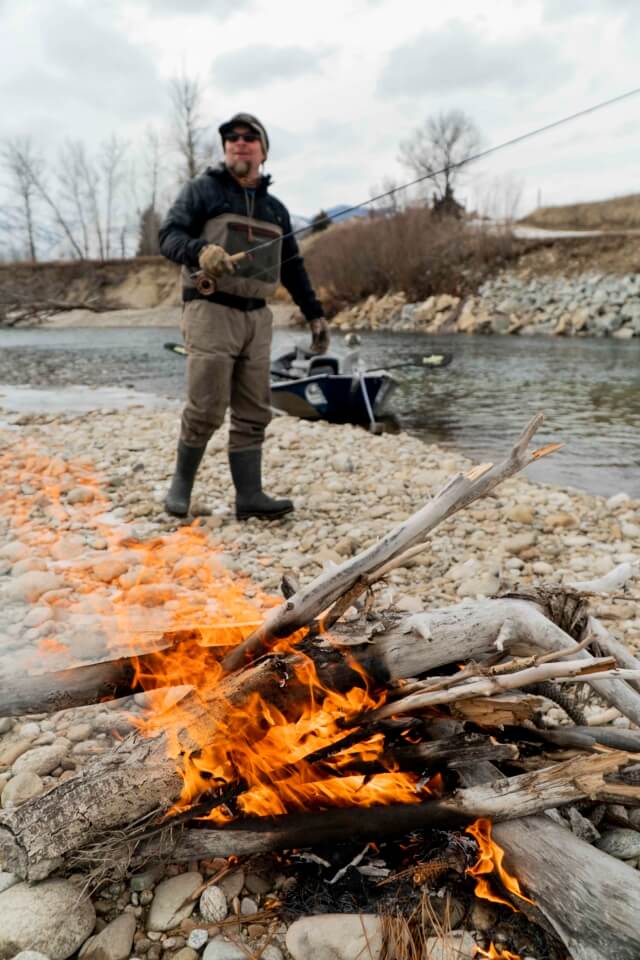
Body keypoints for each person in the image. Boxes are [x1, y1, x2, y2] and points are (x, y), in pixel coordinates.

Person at [159, 112, 329, 520]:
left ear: (263, 151)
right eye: (231, 138)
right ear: (224, 148)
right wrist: (200, 250)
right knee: (206, 407)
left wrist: (315, 315)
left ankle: (249, 497)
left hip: (258, 318)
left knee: (255, 410)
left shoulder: (276, 209)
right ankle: (180, 487)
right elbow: (168, 236)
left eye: (249, 138)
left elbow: (293, 266)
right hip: (210, 311)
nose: (239, 142)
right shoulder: (202, 191)